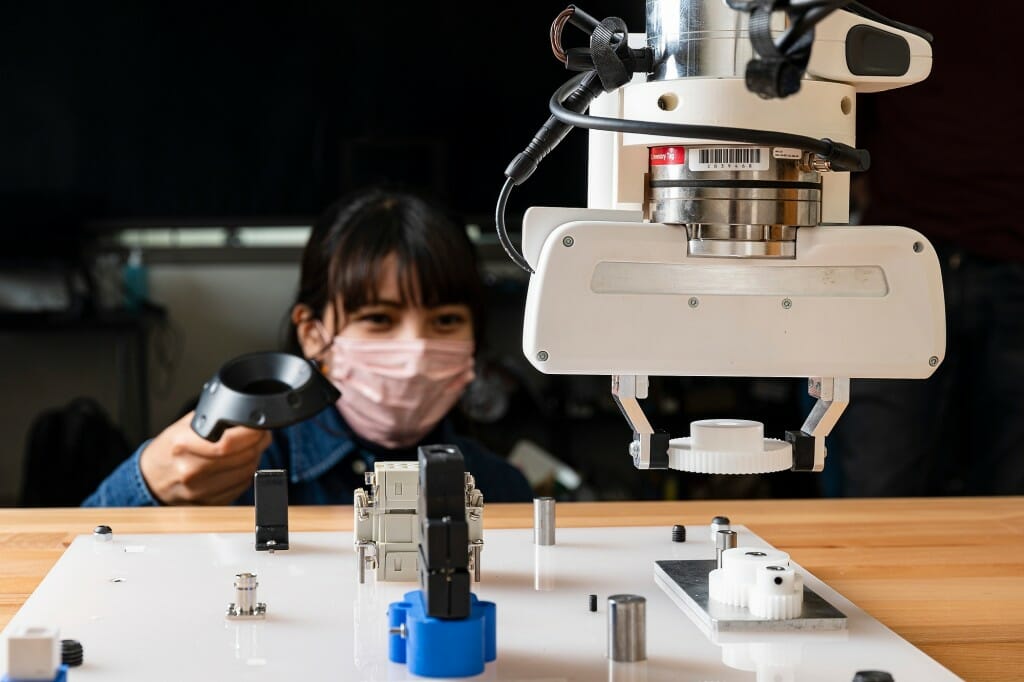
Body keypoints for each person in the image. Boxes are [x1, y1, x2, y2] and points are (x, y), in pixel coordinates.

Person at [83, 188, 533, 506]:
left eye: (446, 320)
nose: (416, 349)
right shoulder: (236, 470)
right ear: (313, 333)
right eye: (378, 319)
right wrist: (149, 483)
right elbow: (73, 571)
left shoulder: (500, 487)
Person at [827, 3, 1024, 496]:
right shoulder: (875, 9)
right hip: (899, 267)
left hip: (1003, 265)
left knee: (1011, 498)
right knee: (877, 486)